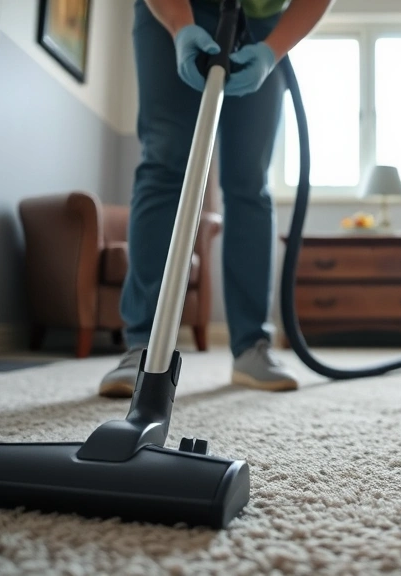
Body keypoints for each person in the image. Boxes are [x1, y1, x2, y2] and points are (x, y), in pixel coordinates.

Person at [99, 0, 333, 397]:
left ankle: (251, 348)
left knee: (250, 180)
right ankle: (144, 346)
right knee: (164, 162)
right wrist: (179, 26)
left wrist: (272, 50)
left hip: (261, 24)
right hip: (175, 10)